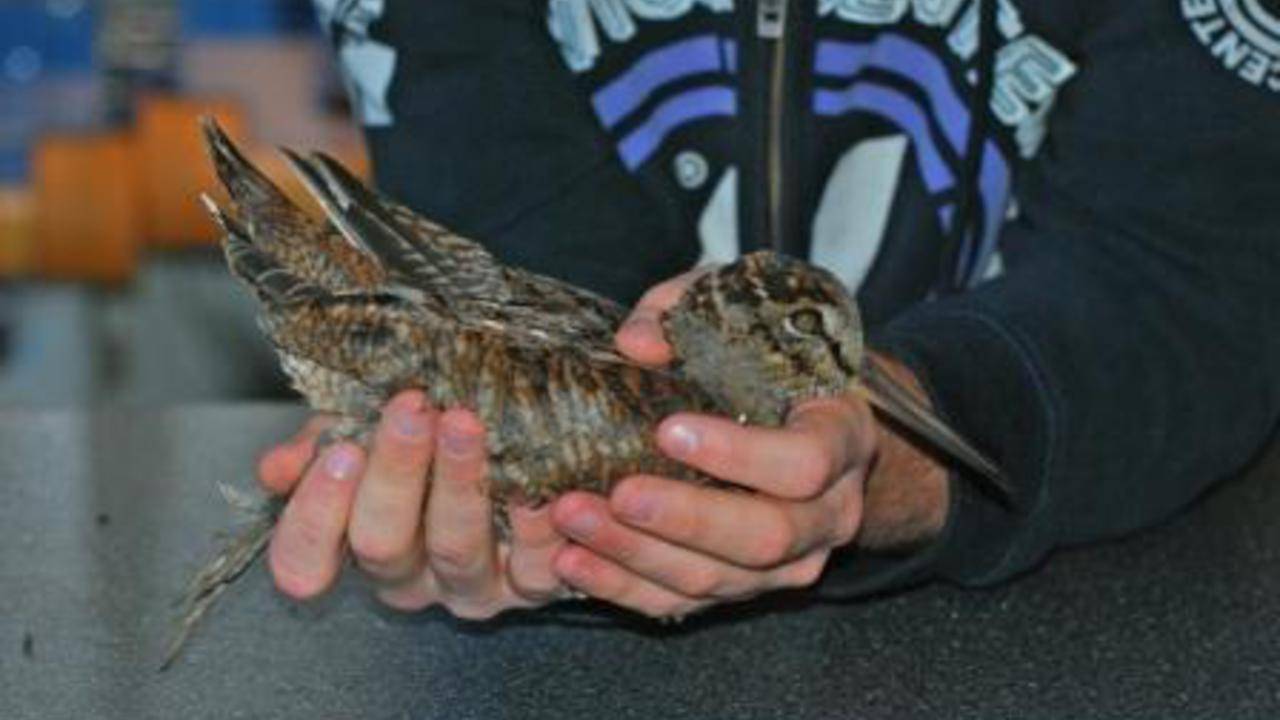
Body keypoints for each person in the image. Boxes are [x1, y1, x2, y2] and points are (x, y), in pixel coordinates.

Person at [259, 0, 1280, 620]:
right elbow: (516, 254)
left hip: (1104, 590)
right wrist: (530, 477)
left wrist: (895, 449)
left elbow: (1183, 274)